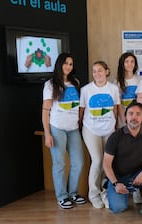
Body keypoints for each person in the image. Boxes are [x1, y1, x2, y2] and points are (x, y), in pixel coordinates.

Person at [103, 102, 142, 220]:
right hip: (119, 178)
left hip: (138, 175)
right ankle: (108, 188)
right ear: (126, 117)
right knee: (118, 208)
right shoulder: (115, 136)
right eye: (131, 114)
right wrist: (115, 183)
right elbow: (106, 163)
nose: (134, 117)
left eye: (138, 114)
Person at [41, 52, 86, 209]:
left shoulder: (76, 82)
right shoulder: (50, 84)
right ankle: (62, 196)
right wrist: (47, 134)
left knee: (78, 163)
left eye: (71, 64)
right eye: (66, 63)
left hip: (73, 129)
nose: (68, 66)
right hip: (57, 128)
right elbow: (45, 111)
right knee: (59, 164)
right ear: (59, 64)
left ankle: (73, 193)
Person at [79, 61, 120, 208]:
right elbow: (81, 111)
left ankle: (105, 192)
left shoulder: (113, 89)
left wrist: (115, 127)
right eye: (94, 71)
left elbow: (115, 109)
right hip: (91, 129)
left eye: (100, 71)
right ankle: (93, 194)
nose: (97, 74)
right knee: (97, 160)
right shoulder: (86, 90)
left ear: (107, 72)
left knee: (107, 162)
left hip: (109, 130)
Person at [115, 52, 142, 204]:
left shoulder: (140, 80)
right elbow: (118, 104)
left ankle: (137, 190)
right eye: (127, 61)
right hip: (124, 122)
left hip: (137, 122)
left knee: (138, 155)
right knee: (125, 155)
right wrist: (123, 120)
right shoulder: (117, 82)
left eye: (132, 61)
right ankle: (122, 186)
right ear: (122, 63)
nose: (130, 64)